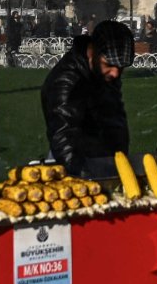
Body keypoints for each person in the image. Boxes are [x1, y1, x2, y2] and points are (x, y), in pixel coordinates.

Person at [40, 19, 135, 177]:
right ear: (91, 52)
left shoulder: (102, 73)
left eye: (121, 67)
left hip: (105, 159)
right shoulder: (67, 81)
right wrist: (86, 180)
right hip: (76, 167)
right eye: (109, 64)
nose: (115, 73)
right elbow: (64, 139)